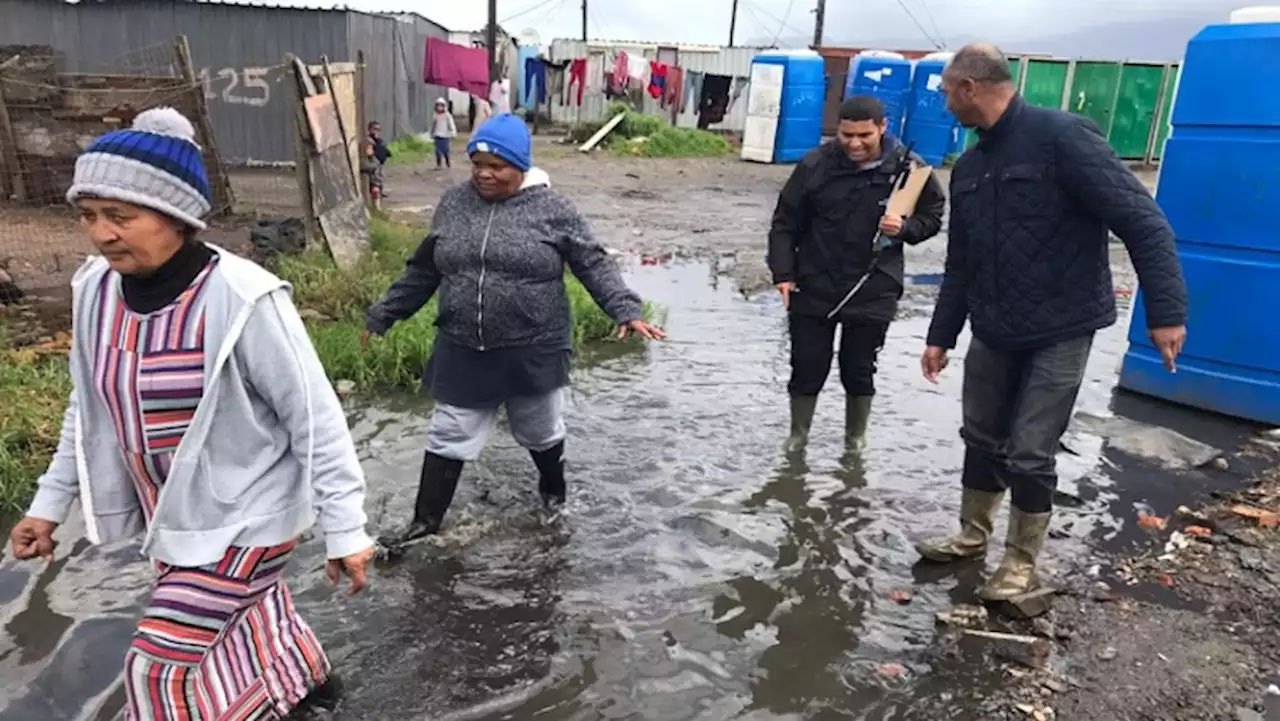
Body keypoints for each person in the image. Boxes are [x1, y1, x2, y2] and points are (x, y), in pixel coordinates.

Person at [6, 107, 374, 718]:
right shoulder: (94, 291)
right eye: (89, 216)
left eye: (121, 217)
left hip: (249, 516)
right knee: (248, 618)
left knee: (159, 668)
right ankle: (309, 686)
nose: (101, 234)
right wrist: (48, 506)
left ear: (177, 217)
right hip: (173, 517)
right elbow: (89, 406)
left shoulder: (241, 298)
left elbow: (315, 416)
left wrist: (346, 527)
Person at [917, 44, 1188, 603]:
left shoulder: (1062, 138)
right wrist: (941, 336)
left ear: (970, 87)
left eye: (946, 91)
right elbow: (960, 264)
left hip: (1061, 325)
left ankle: (1021, 562)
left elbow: (1145, 224)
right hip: (994, 325)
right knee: (982, 437)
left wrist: (1165, 313)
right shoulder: (969, 166)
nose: (944, 104)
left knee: (1031, 449)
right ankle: (973, 535)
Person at [362, 113, 666, 546]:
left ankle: (553, 497)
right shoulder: (453, 204)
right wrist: (384, 314)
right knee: (449, 433)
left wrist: (625, 309)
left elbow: (593, 263)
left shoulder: (553, 209)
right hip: (463, 344)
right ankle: (424, 525)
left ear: (520, 165)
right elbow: (424, 268)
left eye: (498, 165)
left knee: (539, 429)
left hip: (533, 346)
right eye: (477, 164)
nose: (485, 174)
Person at [768, 96, 945, 453]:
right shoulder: (814, 164)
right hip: (814, 280)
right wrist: (782, 273)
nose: (854, 143)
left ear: (882, 127)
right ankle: (798, 437)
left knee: (858, 367)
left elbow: (933, 217)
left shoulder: (911, 169)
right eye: (846, 135)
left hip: (874, 282)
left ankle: (854, 442)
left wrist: (905, 228)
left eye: (864, 135)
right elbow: (785, 222)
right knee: (807, 365)